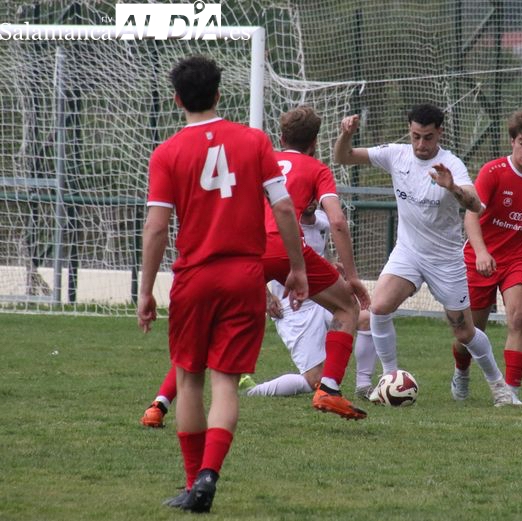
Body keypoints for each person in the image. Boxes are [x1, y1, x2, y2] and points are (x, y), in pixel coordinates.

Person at [137, 56, 308, 513]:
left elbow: (156, 228)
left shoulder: (168, 152)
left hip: (194, 277)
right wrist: (297, 268)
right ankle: (210, 475)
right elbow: (286, 209)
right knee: (226, 383)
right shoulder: (254, 141)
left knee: (189, 381)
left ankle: (194, 481)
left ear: (177, 100)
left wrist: (145, 290)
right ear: (219, 94)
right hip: (245, 276)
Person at [334, 103, 514, 406]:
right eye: (416, 136)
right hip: (408, 252)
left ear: (439, 133)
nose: (420, 144)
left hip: (445, 260)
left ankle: (499, 386)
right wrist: (345, 135)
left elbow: (476, 206)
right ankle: (391, 381)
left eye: (427, 137)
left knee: (464, 331)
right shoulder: (396, 154)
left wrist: (452, 187)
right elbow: (343, 157)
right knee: (378, 308)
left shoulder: (450, 164)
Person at [262, 105, 371, 420]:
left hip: (246, 248)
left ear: (281, 137)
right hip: (287, 249)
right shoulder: (316, 168)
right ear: (314, 144)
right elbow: (337, 221)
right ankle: (330, 390)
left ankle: (162, 401)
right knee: (348, 307)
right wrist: (351, 276)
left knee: (214, 321)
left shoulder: (262, 162)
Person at [450, 109, 522, 405]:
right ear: (512, 142)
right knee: (469, 332)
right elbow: (471, 216)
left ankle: (510, 392)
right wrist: (481, 252)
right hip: (479, 257)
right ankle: (462, 372)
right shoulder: (493, 171)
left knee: (518, 318)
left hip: (517, 257)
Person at [240, 201, 377, 398]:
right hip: (292, 306)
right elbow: (251, 258)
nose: (311, 202)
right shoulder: (277, 219)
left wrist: (330, 267)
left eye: (314, 196)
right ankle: (252, 392)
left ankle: (363, 388)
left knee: (365, 319)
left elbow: (314, 254)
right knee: (316, 379)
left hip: (323, 297)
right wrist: (267, 296)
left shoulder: (322, 220)